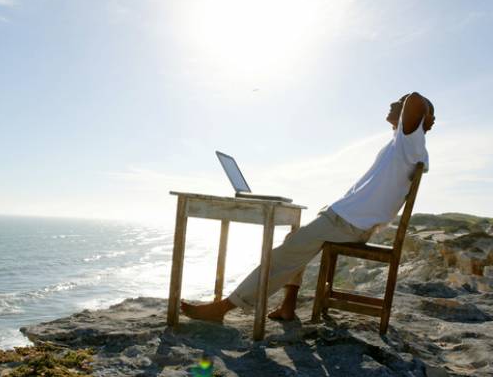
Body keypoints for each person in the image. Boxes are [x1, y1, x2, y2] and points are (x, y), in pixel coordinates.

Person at [181, 92, 435, 323]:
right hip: (344, 221)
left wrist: (425, 113)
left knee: (281, 256)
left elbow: (416, 100)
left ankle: (223, 308)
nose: (393, 102)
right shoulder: (402, 142)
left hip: (347, 224)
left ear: (414, 118)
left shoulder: (410, 140)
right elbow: (413, 105)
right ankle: (288, 306)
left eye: (399, 102)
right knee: (294, 239)